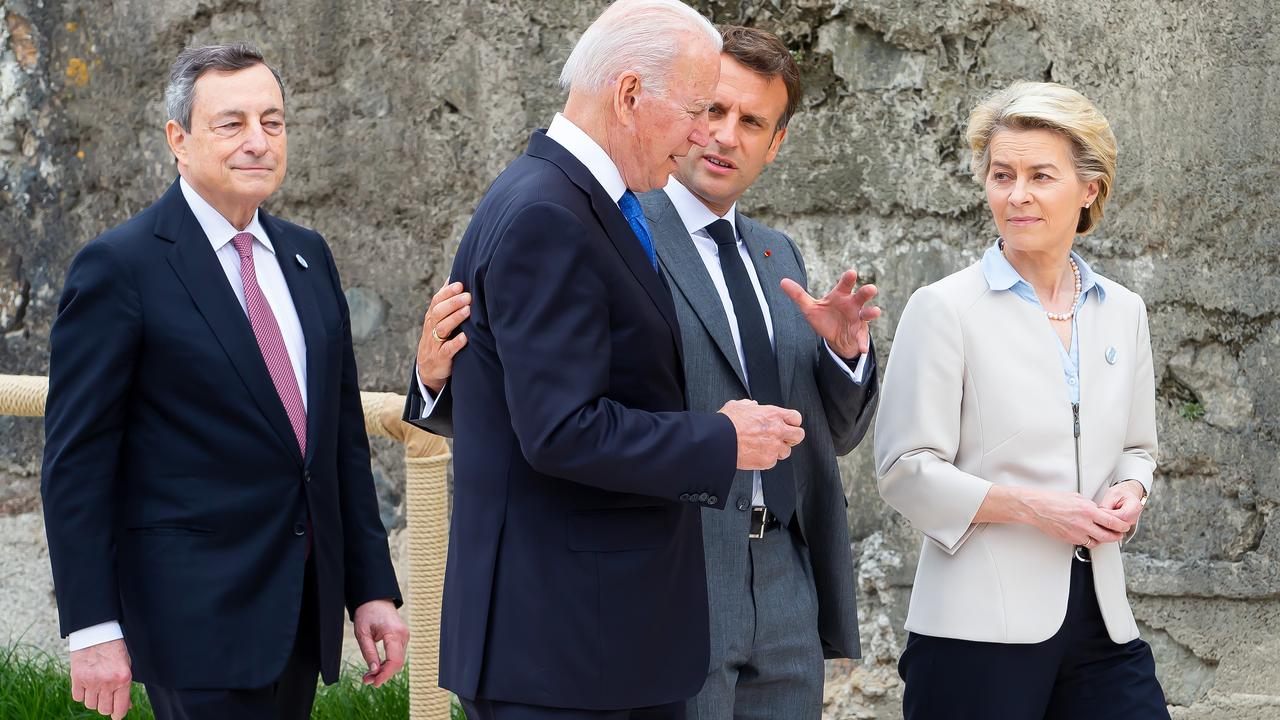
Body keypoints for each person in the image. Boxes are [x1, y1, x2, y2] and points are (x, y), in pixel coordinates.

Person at [418, 25, 879, 720]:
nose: (716, 135)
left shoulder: (778, 255)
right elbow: (548, 413)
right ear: (634, 95)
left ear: (776, 143)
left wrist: (845, 358)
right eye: (706, 109)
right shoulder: (612, 223)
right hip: (671, 575)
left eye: (749, 121)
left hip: (782, 581)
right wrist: (436, 379)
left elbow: (813, 432)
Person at [41, 43, 407, 720]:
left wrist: (371, 590)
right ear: (178, 140)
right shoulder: (119, 268)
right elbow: (77, 462)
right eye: (231, 123)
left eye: (272, 122)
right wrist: (91, 628)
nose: (258, 142)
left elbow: (339, 445)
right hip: (192, 618)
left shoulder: (308, 255)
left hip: (302, 609)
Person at [873, 81, 1168, 719]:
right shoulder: (944, 308)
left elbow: (1138, 447)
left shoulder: (1123, 310)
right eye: (1002, 174)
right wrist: (1033, 508)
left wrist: (1133, 489)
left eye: (1040, 175)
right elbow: (904, 470)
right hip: (977, 628)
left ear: (1089, 188)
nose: (1017, 195)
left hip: (1103, 621)